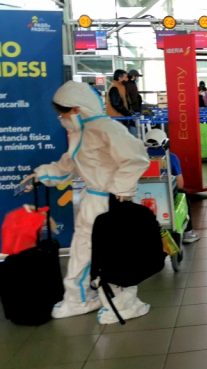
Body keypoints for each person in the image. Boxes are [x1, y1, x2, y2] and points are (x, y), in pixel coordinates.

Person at [20, 81, 151, 324]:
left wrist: (121, 190)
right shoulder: (79, 133)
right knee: (82, 251)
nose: (62, 118)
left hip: (111, 202)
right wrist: (41, 175)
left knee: (113, 255)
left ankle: (123, 304)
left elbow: (136, 158)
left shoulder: (107, 128)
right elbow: (67, 165)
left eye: (64, 112)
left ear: (77, 108)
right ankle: (77, 299)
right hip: (93, 200)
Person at [144, 129, 200, 244]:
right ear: (165, 142)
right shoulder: (171, 158)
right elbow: (180, 184)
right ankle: (188, 233)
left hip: (142, 196)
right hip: (166, 196)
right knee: (184, 195)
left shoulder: (140, 158)